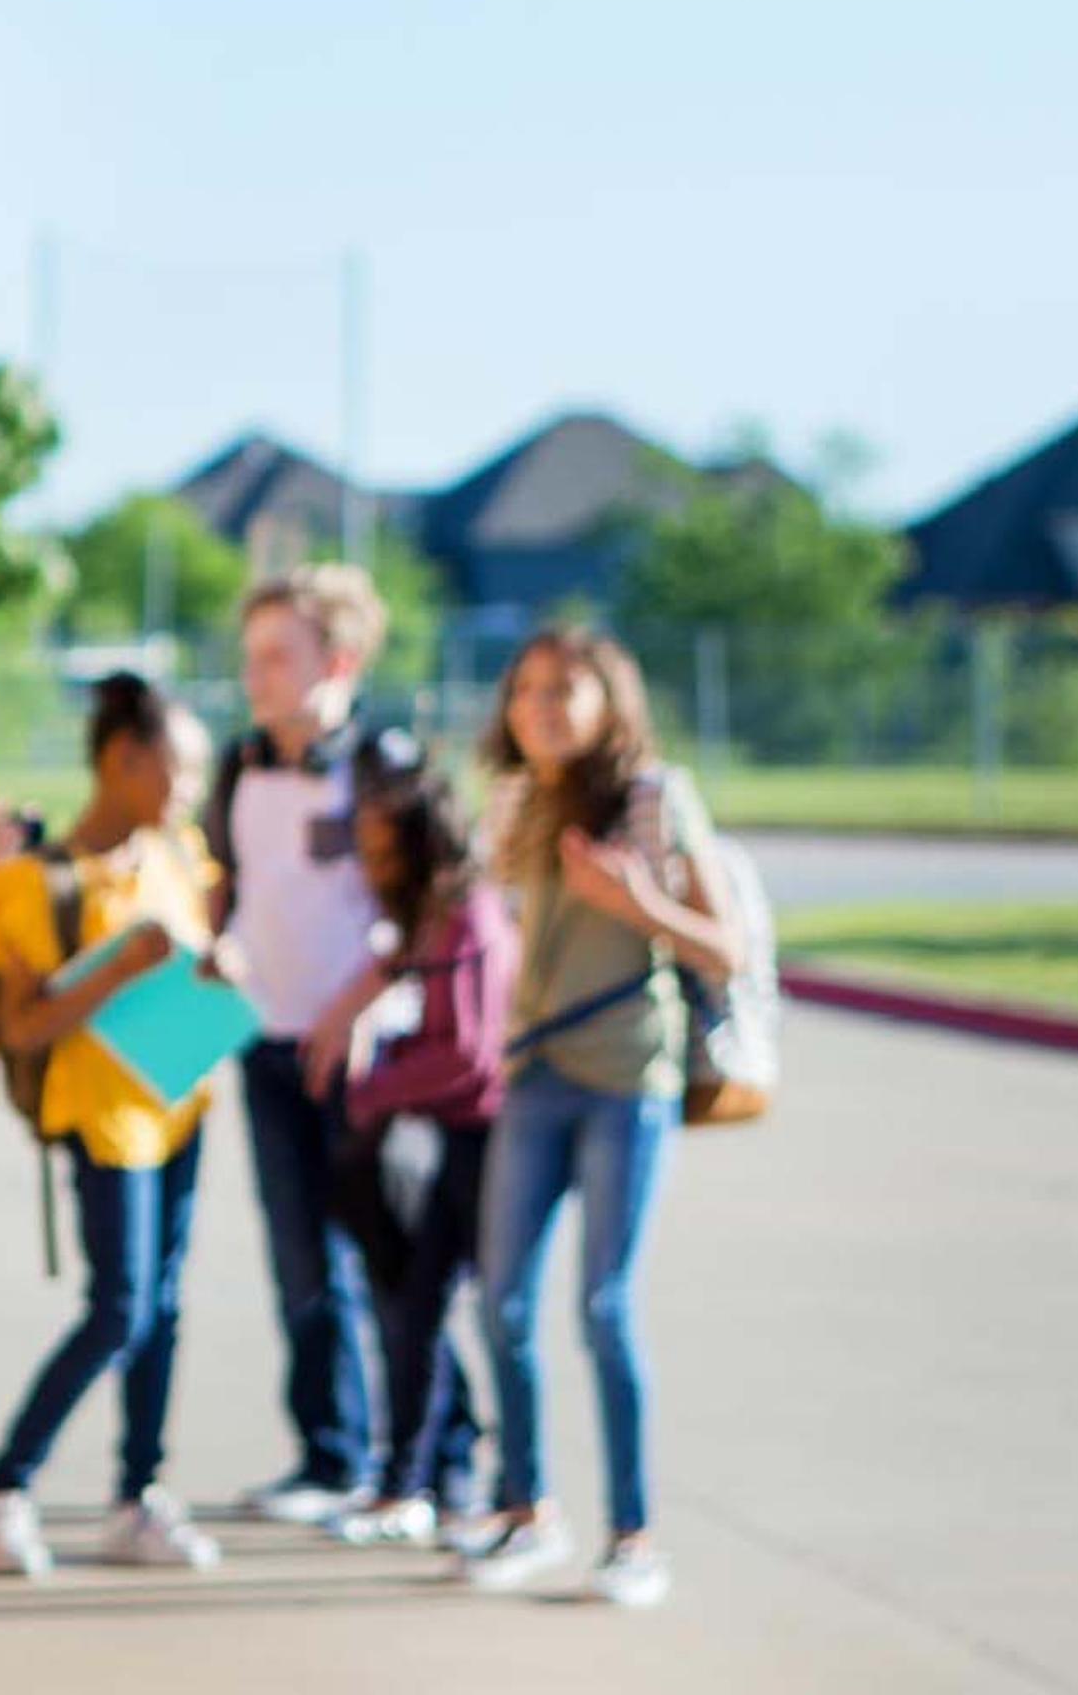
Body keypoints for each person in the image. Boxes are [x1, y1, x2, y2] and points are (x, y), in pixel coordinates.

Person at [455, 624, 733, 1608]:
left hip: (627, 1075)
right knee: (503, 1302)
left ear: (611, 700)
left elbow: (724, 945)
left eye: (567, 689)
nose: (543, 706)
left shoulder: (657, 798)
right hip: (532, 1074)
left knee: (603, 1307)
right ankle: (527, 1507)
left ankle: (634, 1533)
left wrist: (638, 899)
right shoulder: (512, 801)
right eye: (528, 688)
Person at [203, 564, 480, 1526]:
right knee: (300, 1267)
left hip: (371, 1060)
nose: (259, 674)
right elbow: (228, 883)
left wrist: (357, 1006)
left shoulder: (385, 766)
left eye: (280, 655)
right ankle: (330, 1454)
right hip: (265, 1044)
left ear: (343, 661)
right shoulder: (238, 765)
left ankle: (447, 1458)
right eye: (252, 656)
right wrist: (220, 947)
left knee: (397, 1264)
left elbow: (437, 909)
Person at [0, 674, 229, 1580]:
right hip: (103, 1117)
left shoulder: (177, 853)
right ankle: (1, 1488)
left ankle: (137, 1495)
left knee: (164, 1305)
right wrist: (113, 972)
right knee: (120, 1307)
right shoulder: (36, 885)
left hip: (179, 1098)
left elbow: (199, 952)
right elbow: (20, 1025)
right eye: (179, 769)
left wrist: (218, 968)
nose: (189, 790)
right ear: (123, 759)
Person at [303, 767, 514, 1552]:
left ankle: (489, 1490)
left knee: (484, 1315)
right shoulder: (430, 921)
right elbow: (387, 974)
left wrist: (375, 1089)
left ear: (426, 845)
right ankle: (416, 1482)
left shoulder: (471, 920)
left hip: (485, 1141)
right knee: (414, 1309)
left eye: (385, 850)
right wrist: (342, 1023)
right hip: (443, 1137)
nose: (370, 866)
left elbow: (468, 1053)